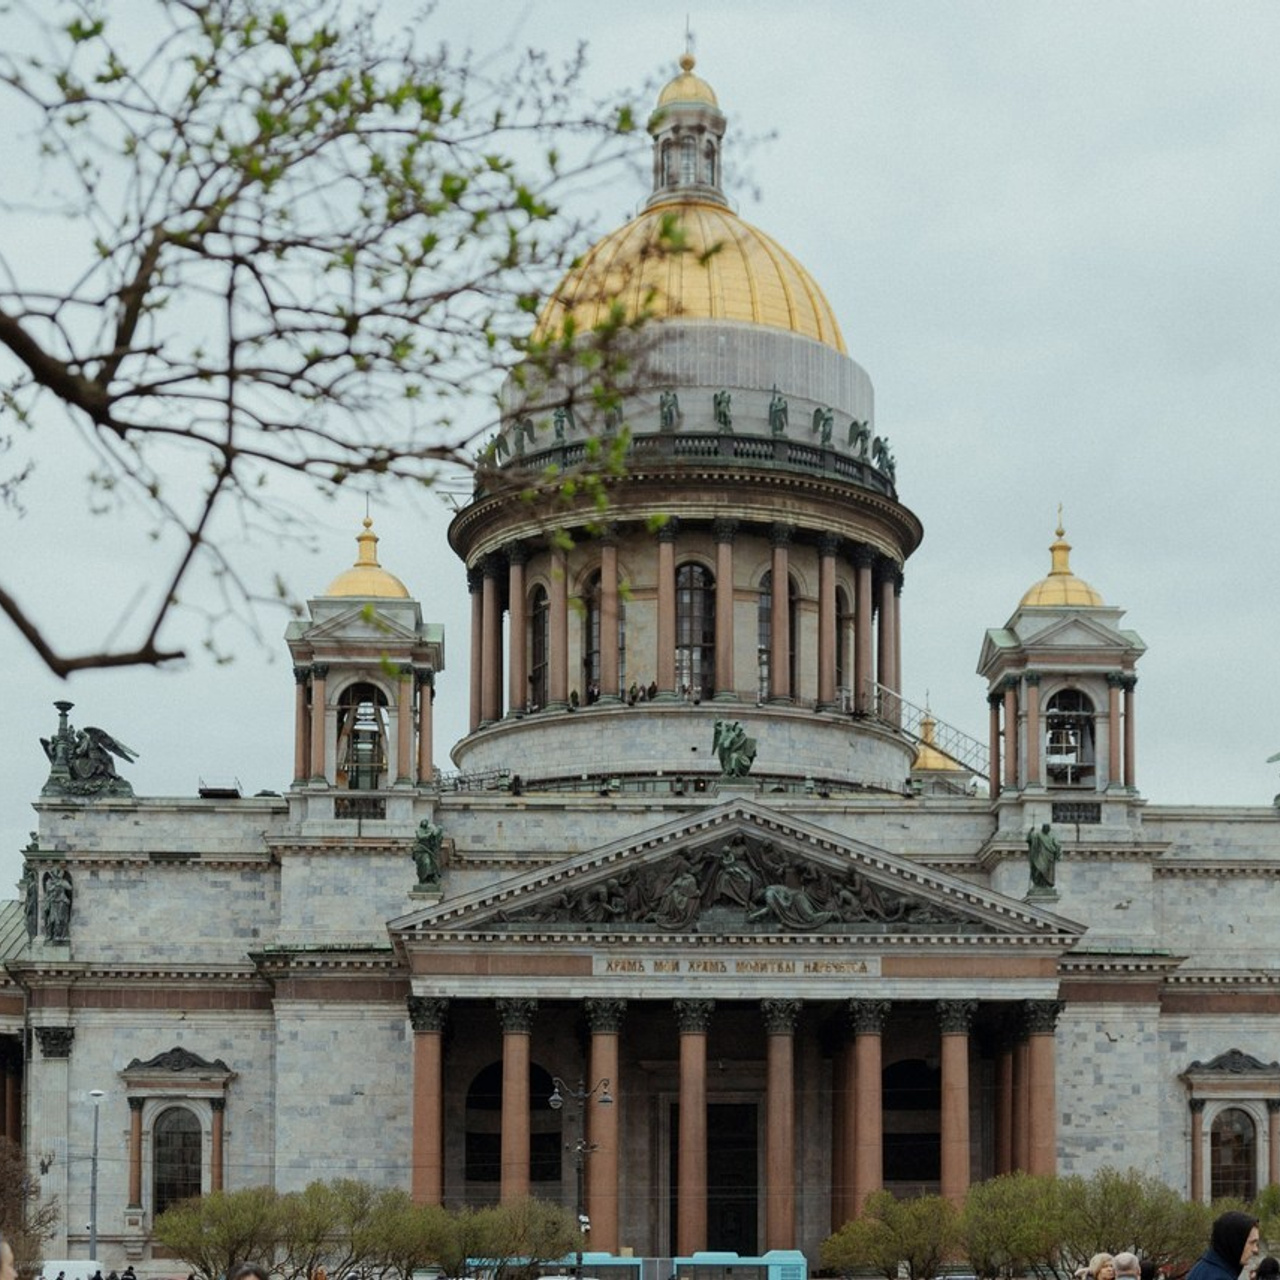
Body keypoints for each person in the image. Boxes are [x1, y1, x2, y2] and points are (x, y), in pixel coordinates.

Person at [1188, 1211, 1260, 1280]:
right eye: (1251, 1243)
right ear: (1235, 1242)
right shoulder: (1220, 1277)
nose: (1255, 1250)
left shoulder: (1202, 1267)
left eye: (1256, 1243)